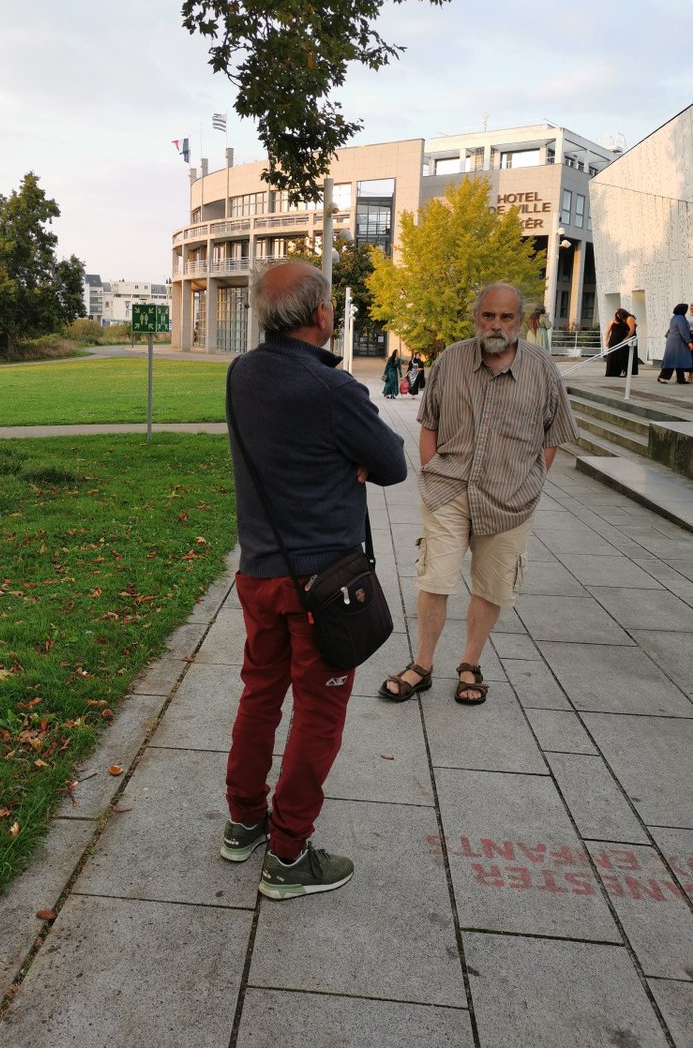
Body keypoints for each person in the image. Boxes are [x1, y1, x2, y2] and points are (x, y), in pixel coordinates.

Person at [224, 260, 408, 899]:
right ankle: (288, 854)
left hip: (259, 571)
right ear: (322, 314)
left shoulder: (241, 373)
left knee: (259, 695)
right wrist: (350, 460)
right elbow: (393, 464)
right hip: (324, 585)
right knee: (319, 713)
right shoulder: (333, 389)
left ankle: (244, 822)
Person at [378, 282, 577, 707]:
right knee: (434, 579)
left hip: (510, 499)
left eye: (506, 317)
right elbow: (429, 423)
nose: (496, 325)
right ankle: (422, 665)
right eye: (488, 315)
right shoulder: (451, 360)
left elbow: (554, 434)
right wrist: (432, 472)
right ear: (476, 318)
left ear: (520, 322)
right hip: (449, 489)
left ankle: (470, 664)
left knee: (491, 586)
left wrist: (531, 482)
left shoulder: (542, 368)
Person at [658, 303, 693, 384]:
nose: (686, 311)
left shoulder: (674, 317)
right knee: (672, 360)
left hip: (673, 341)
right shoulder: (681, 319)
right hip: (678, 342)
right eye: (685, 309)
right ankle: (662, 377)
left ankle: (681, 379)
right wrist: (689, 341)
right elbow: (683, 331)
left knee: (678, 360)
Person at [604, 308, 638, 377]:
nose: (618, 316)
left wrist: (627, 338)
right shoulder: (621, 320)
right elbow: (608, 332)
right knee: (617, 355)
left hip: (629, 339)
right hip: (622, 339)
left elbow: (632, 330)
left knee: (626, 355)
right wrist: (606, 341)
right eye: (616, 314)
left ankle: (625, 371)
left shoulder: (630, 318)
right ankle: (616, 371)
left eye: (618, 314)